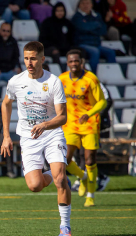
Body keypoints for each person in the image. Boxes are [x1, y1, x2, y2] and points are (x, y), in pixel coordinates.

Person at [1, 41, 72, 236]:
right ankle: (54, 173)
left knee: (60, 179)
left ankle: (65, 226)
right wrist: (7, 136)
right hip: (28, 137)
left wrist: (44, 125)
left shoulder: (54, 82)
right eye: (26, 58)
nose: (29, 62)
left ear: (42, 59)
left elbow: (62, 117)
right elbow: (6, 104)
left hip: (51, 133)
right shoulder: (16, 81)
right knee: (34, 186)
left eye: (33, 58)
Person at [58, 49, 106, 207]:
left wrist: (89, 113)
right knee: (65, 159)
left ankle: (90, 196)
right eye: (71, 61)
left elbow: (102, 102)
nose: (73, 64)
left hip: (89, 123)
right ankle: (83, 177)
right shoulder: (62, 79)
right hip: (70, 124)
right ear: (67, 63)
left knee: (89, 159)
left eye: (76, 61)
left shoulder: (90, 79)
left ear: (82, 62)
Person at [71, 0, 116, 72]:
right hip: (82, 44)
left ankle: (112, 73)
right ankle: (93, 76)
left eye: (88, 3)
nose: (86, 5)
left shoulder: (97, 15)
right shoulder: (76, 17)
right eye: (83, 3)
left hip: (96, 44)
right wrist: (96, 25)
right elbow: (83, 28)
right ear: (79, 5)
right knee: (95, 52)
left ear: (91, 5)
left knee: (111, 52)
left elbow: (103, 31)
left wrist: (89, 26)